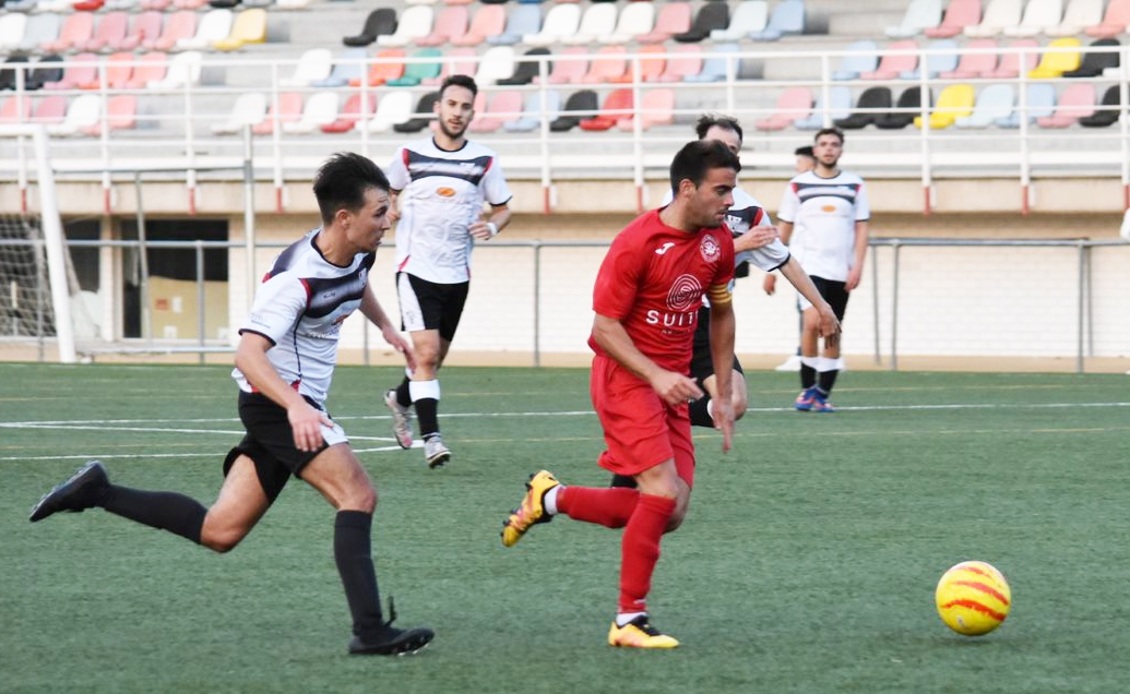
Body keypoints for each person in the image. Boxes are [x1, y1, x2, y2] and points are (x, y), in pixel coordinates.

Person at [28, 153, 435, 657]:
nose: (389, 219)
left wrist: (386, 328)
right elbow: (247, 352)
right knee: (359, 496)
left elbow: (357, 282)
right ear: (344, 218)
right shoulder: (295, 280)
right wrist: (296, 407)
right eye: (380, 211)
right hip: (276, 404)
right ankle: (370, 631)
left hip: (288, 405)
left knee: (220, 531)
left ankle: (97, 491)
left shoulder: (358, 249)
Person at [500, 140, 741, 649]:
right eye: (722, 190)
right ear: (687, 188)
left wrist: (720, 388)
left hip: (672, 385)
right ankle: (628, 619)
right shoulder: (636, 242)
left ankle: (552, 498)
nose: (729, 201)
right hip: (627, 379)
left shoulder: (718, 240)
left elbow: (721, 312)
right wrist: (654, 374)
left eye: (732, 189)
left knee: (669, 512)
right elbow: (604, 329)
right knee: (659, 493)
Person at [634, 116, 838, 438]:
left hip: (708, 320)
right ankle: (647, 414)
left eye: (732, 149)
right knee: (651, 470)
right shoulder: (681, 197)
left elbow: (785, 260)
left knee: (733, 403)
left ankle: (658, 411)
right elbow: (678, 258)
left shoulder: (748, 210)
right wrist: (738, 245)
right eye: (716, 147)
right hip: (666, 316)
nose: (725, 155)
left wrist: (822, 306)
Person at [382, 74, 513, 469]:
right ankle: (432, 439)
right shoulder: (409, 155)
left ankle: (399, 399)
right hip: (414, 268)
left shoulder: (484, 160)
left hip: (456, 273)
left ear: (473, 112)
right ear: (437, 108)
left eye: (465, 106)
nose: (458, 113)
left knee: (434, 359)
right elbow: (385, 190)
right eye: (451, 104)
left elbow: (504, 208)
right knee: (424, 353)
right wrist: (389, 207)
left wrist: (490, 226)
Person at [774, 128, 870, 413]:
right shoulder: (798, 185)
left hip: (841, 269)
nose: (829, 149)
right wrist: (771, 269)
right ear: (815, 151)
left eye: (834, 144)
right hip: (808, 267)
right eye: (823, 144)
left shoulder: (855, 185)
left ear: (841, 150)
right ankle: (806, 389)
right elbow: (785, 228)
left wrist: (858, 265)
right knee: (813, 320)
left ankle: (823, 392)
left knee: (833, 328)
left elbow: (861, 228)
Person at [772, 145, 818, 372]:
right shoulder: (797, 189)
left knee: (817, 309)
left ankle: (807, 355)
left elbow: (785, 228)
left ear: (811, 162)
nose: (796, 166)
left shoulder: (806, 189)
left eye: (800, 161)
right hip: (799, 260)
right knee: (806, 309)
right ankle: (806, 353)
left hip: (810, 261)